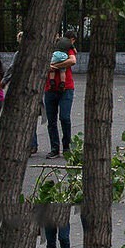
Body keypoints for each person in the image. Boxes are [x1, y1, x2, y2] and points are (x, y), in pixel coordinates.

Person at [0, 31, 41, 154]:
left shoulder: (20, 54)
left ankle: (28, 144)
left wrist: (4, 82)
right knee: (29, 116)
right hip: (34, 88)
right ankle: (31, 144)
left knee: (23, 117)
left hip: (23, 88)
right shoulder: (38, 53)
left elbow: (12, 69)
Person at [44, 31, 77, 159]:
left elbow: (72, 61)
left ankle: (67, 147)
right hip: (50, 88)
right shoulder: (45, 49)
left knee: (64, 118)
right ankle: (54, 148)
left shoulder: (65, 47)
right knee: (51, 121)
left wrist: (55, 66)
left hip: (66, 88)